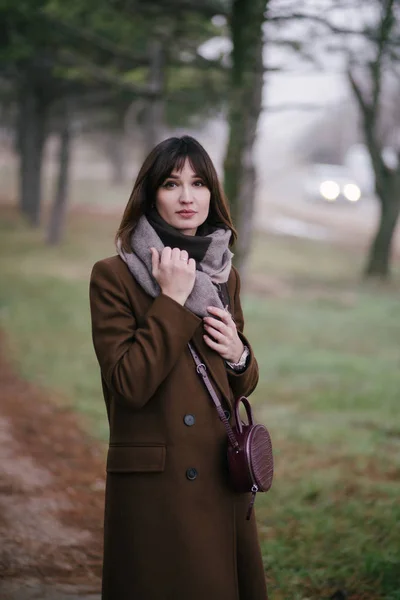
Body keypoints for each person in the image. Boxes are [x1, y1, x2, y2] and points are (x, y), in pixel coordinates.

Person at [89, 135, 268, 600]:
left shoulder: (223, 273)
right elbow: (129, 383)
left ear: (212, 194)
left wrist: (239, 354)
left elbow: (240, 384)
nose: (187, 197)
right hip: (157, 486)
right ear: (151, 196)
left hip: (216, 476)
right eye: (171, 184)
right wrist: (170, 298)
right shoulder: (114, 276)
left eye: (198, 183)